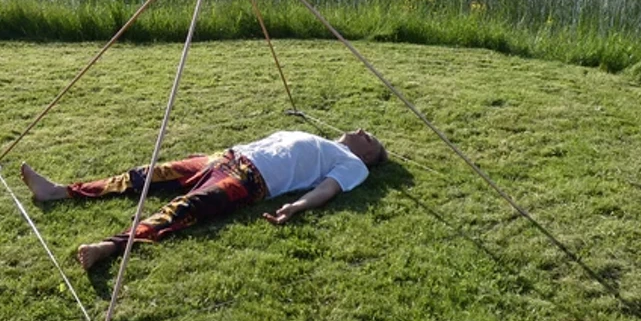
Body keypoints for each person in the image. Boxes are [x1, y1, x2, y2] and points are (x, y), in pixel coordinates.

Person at [21, 129, 388, 270]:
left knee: (185, 209)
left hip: (249, 180)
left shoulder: (355, 165)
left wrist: (298, 205)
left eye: (368, 137)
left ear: (369, 156)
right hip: (225, 157)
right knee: (146, 174)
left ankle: (110, 246)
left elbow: (329, 189)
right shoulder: (325, 139)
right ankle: (59, 191)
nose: (360, 130)